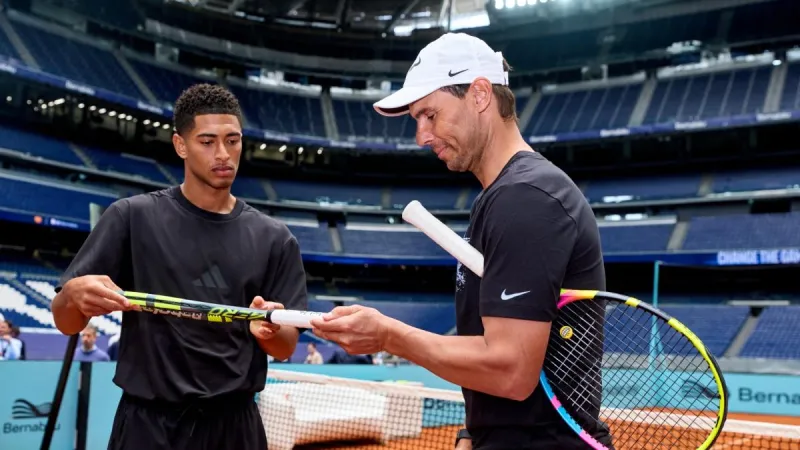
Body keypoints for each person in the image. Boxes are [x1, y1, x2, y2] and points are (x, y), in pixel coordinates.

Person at [310, 33, 608, 450]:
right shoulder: (505, 197)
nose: (421, 136)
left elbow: (511, 370)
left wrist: (387, 335)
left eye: (430, 114)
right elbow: (497, 355)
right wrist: (471, 433)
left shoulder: (525, 199)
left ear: (480, 95)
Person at [50, 84, 308, 450]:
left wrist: (269, 331)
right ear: (180, 145)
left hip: (235, 429)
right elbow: (65, 321)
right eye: (207, 141)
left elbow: (284, 348)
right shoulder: (131, 217)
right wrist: (74, 296)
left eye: (233, 141)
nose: (224, 154)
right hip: (148, 428)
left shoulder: (276, 238)